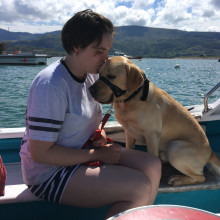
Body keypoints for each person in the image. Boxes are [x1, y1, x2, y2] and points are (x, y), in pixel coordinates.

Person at [20, 9, 161, 219]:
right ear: (77, 47)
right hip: (48, 174)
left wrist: (99, 136)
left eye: (108, 51)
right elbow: (41, 154)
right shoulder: (50, 85)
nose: (105, 59)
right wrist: (97, 155)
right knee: (139, 186)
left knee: (153, 165)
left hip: (80, 154)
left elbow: (83, 122)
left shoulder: (90, 77)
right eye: (99, 51)